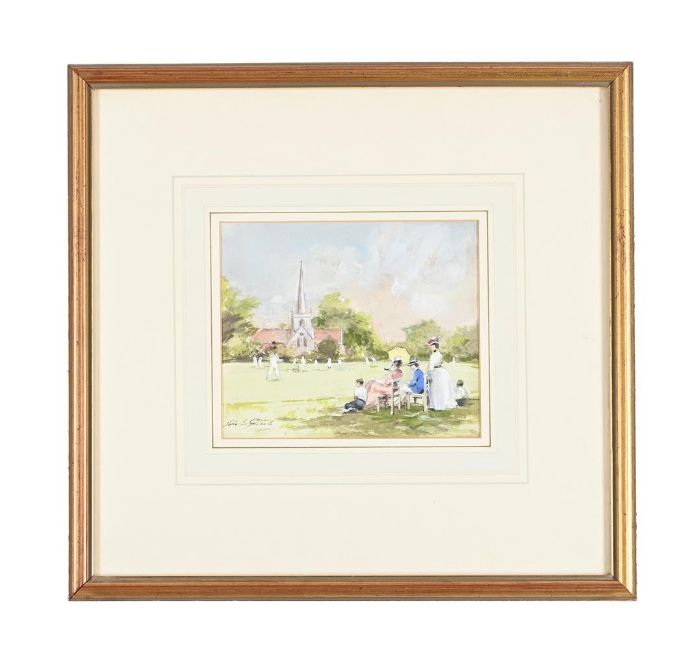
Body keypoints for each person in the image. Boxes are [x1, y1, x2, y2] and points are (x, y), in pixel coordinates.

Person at [427, 337, 455, 410]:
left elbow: (431, 366)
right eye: (431, 346)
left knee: (436, 389)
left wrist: (430, 374)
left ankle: (437, 405)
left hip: (436, 372)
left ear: (435, 346)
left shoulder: (434, 355)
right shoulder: (439, 354)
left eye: (432, 346)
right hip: (440, 371)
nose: (431, 347)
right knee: (439, 389)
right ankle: (438, 404)